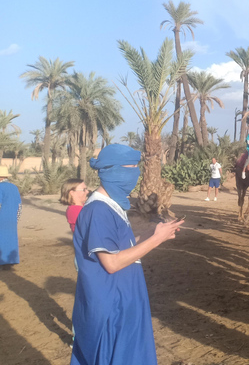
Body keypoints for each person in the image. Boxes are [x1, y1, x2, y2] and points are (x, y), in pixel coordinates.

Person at [71, 144, 183, 365]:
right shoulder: (98, 211)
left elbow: (121, 248)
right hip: (111, 309)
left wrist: (154, 234)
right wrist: (155, 239)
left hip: (123, 301)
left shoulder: (112, 206)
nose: (136, 173)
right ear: (113, 170)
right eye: (131, 167)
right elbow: (111, 263)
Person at [0, 166, 21, 270]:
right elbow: (19, 205)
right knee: (11, 238)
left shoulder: (0, 187)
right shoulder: (14, 187)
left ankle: (2, 261)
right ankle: (11, 261)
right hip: (12, 217)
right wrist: (16, 219)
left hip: (2, 217)